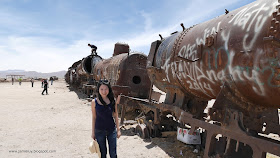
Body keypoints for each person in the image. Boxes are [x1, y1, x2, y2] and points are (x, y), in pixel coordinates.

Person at [91, 79, 121, 158]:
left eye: (106, 89)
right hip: (99, 131)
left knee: (113, 154)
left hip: (111, 130)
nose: (104, 91)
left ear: (109, 89)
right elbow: (94, 117)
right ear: (98, 90)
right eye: (101, 89)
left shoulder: (112, 101)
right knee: (102, 154)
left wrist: (118, 129)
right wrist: (93, 132)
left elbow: (116, 115)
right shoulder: (94, 102)